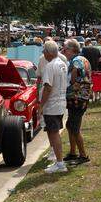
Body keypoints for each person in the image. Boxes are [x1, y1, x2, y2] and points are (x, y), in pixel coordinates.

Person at [39, 40, 69, 174]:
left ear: (48, 52)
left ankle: (60, 163)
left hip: (52, 104)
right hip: (61, 102)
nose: (43, 54)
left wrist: (41, 105)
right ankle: (58, 160)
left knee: (54, 132)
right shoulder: (62, 63)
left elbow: (48, 87)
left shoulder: (50, 66)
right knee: (53, 132)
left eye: (44, 51)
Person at [63, 40, 92, 164]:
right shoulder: (84, 59)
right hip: (82, 97)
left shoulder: (75, 61)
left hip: (76, 97)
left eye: (65, 49)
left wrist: (70, 81)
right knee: (70, 125)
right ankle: (73, 152)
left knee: (74, 127)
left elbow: (74, 76)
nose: (64, 52)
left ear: (72, 50)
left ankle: (83, 155)